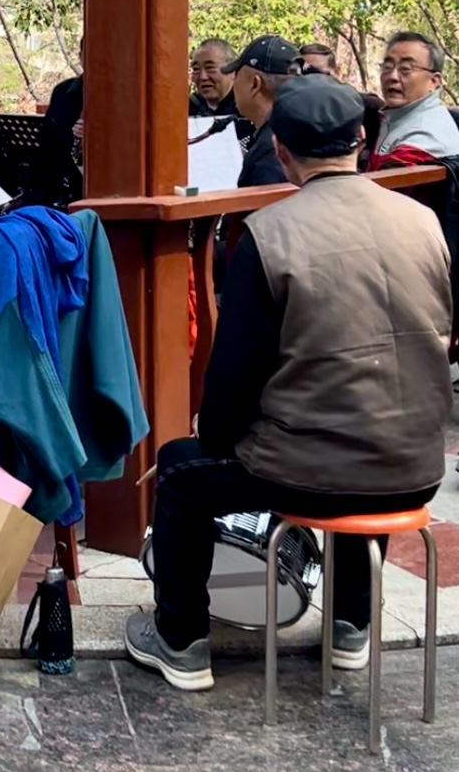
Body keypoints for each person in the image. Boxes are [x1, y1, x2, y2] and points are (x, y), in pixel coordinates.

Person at [125, 75, 452, 691]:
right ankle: (351, 625)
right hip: (417, 464)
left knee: (182, 471)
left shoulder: (269, 233)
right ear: (362, 140)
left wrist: (212, 434)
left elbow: (234, 373)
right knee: (364, 436)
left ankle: (181, 641)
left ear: (280, 150)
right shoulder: (424, 222)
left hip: (309, 473)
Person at [370, 32, 459, 170]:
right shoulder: (393, 118)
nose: (392, 76)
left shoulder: (425, 138)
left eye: (406, 69)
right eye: (387, 66)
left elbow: (384, 182)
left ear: (433, 81)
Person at [225, 34, 301, 186]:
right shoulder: (304, 132)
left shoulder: (270, 151)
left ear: (255, 84)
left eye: (236, 75)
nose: (233, 84)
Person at [26, 38, 83, 205]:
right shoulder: (63, 91)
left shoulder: (120, 93)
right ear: (81, 56)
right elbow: (49, 138)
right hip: (58, 182)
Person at [189, 39, 238, 118]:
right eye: (196, 69)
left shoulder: (247, 107)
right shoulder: (187, 108)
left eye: (210, 67)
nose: (202, 77)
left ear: (232, 70)